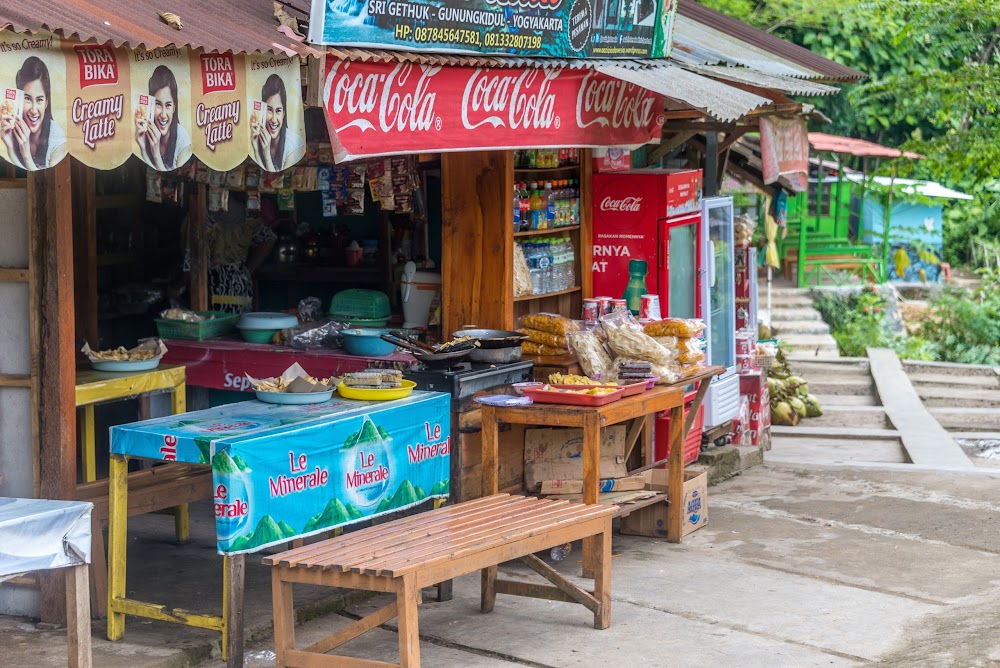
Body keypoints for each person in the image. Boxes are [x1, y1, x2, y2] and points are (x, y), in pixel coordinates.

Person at [180, 193, 276, 314]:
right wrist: (247, 270)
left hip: (213, 285)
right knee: (240, 327)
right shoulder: (246, 215)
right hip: (241, 284)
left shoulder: (201, 216)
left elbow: (193, 262)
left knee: (215, 328)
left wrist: (177, 286)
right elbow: (269, 238)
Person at [1, 56, 66, 171]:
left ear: (46, 102)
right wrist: (10, 146)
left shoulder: (58, 141)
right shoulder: (13, 127)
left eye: (39, 100)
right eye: (28, 99)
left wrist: (26, 154)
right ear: (19, 99)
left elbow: (47, 178)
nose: (34, 110)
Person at [135, 65, 192, 171]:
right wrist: (143, 148)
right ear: (151, 105)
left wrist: (156, 154)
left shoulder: (183, 144)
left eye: (168, 105)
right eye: (158, 104)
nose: (164, 114)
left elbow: (169, 178)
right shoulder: (146, 132)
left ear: (174, 107)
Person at [251, 73, 305, 172]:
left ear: (284, 113)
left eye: (278, 111)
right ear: (262, 110)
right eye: (269, 110)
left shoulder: (294, 145)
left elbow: (278, 181)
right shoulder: (257, 135)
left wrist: (266, 154)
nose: (274, 119)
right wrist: (255, 148)